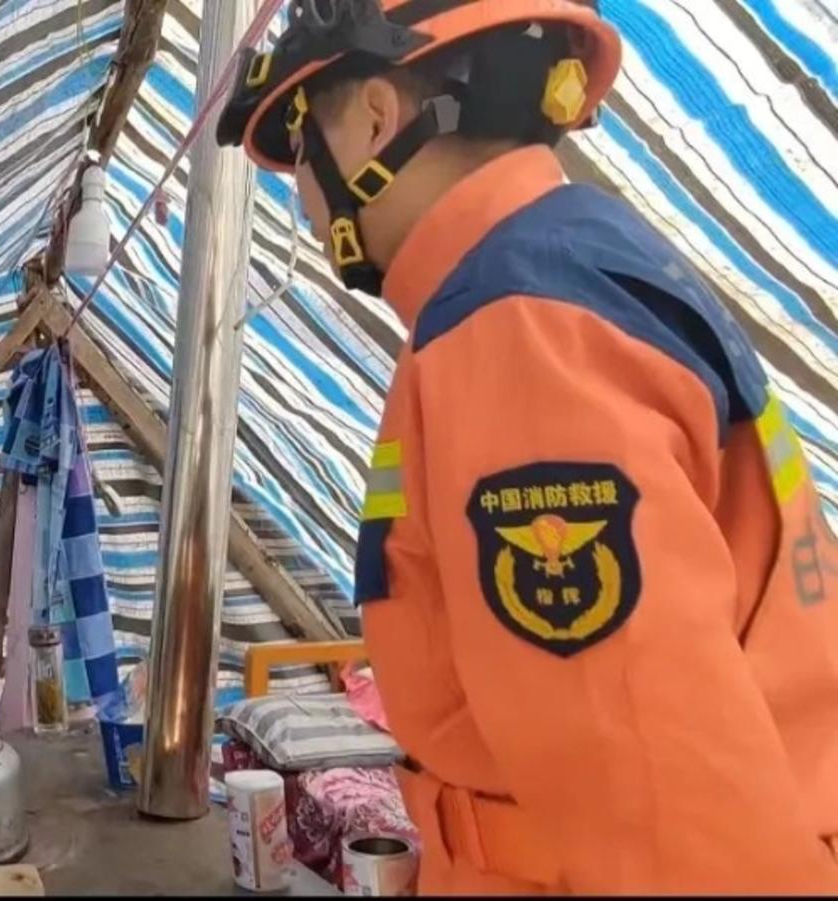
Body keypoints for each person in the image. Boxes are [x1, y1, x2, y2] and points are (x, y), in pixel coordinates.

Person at [219, 0, 838, 893]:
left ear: (375, 121)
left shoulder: (519, 327)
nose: (305, 202)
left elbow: (666, 810)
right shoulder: (575, 268)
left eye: (302, 152)